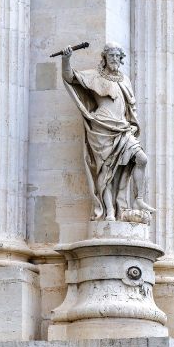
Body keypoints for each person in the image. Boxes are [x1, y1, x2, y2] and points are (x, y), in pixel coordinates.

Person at [61, 42, 155, 221]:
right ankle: (109, 211)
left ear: (121, 58)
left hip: (122, 128)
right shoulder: (95, 76)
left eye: (117, 56)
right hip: (101, 127)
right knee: (106, 172)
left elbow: (131, 107)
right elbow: (70, 76)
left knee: (142, 158)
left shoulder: (125, 80)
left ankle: (139, 200)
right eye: (110, 55)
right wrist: (66, 60)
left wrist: (133, 123)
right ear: (104, 57)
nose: (114, 59)